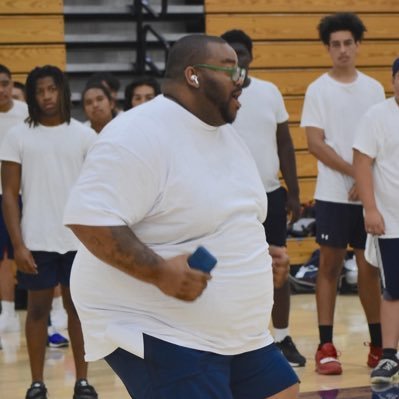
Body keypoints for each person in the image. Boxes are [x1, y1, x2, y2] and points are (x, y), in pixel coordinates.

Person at [63, 34, 299, 399]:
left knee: (282, 390)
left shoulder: (226, 136)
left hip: (235, 334)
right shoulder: (138, 132)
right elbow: (88, 220)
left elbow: (223, 218)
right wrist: (159, 272)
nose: (242, 79)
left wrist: (257, 257)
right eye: (231, 69)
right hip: (162, 329)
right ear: (193, 75)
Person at [0, 65, 98, 399]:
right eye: (40, 91)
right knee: (38, 312)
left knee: (78, 311)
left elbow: (97, 188)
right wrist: (18, 244)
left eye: (52, 89)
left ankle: (82, 381)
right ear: (32, 95)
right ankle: (37, 382)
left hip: (78, 241)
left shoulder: (84, 135)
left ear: (62, 90)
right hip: (36, 240)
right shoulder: (18, 136)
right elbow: (10, 195)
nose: (46, 96)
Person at [301, 12, 384, 375]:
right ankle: (325, 345)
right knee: (330, 268)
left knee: (369, 270)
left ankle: (379, 344)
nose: (342, 50)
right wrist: (357, 172)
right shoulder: (318, 89)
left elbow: (381, 142)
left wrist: (367, 181)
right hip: (333, 194)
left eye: (348, 43)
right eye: (335, 44)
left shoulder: (374, 89)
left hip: (368, 197)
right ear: (328, 49)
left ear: (358, 45)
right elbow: (315, 144)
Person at [220, 29, 305, 368]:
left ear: (251, 56)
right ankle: (238, 342)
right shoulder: (217, 96)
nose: (238, 59)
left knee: (278, 266)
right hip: (231, 200)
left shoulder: (269, 92)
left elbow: (285, 143)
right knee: (233, 271)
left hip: (271, 194)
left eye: (242, 52)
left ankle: (282, 336)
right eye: (230, 54)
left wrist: (295, 193)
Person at [353, 57, 399, 384]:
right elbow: (362, 162)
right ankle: (389, 356)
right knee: (394, 291)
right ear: (393, 80)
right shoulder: (377, 117)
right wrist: (370, 208)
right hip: (392, 223)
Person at [0, 64, 28, 335]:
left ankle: (57, 313)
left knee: (39, 251)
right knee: (3, 258)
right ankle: (6, 314)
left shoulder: (27, 114)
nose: (1, 89)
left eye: (5, 83)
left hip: (27, 193)